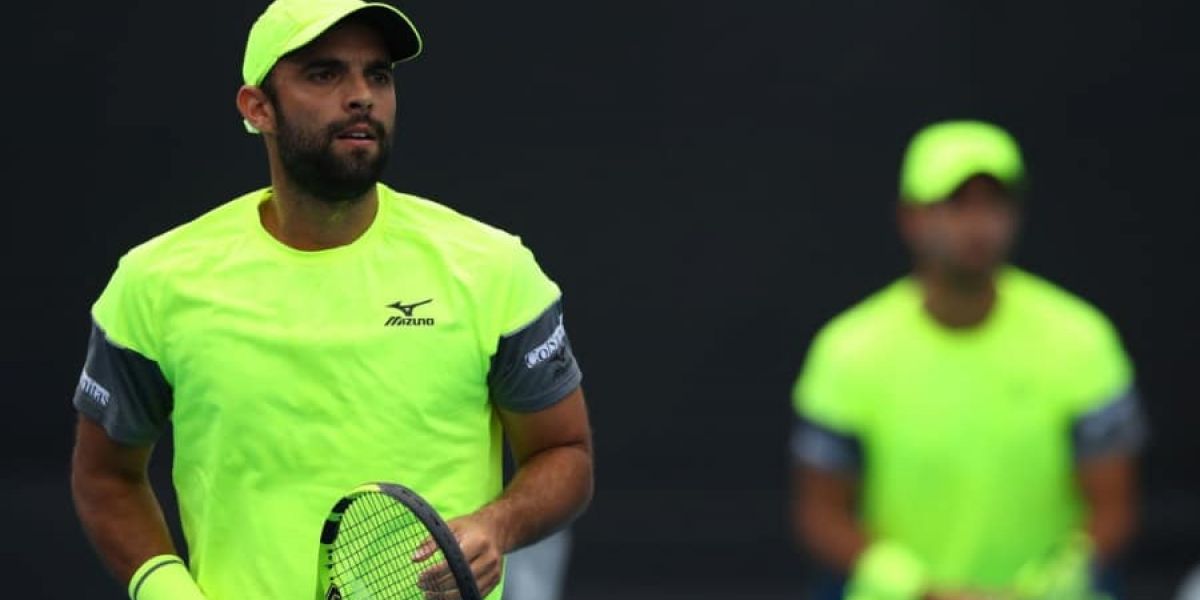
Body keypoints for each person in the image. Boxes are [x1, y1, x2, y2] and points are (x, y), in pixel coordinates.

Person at [69, 1, 593, 599]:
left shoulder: (494, 269)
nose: (362, 96)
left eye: (378, 75)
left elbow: (564, 452)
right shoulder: (154, 282)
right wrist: (167, 591)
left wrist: (495, 526)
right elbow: (105, 476)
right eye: (324, 74)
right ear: (257, 108)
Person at [789, 120, 1145, 600]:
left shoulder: (1080, 338)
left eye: (995, 204)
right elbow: (820, 513)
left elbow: (1113, 508)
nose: (979, 224)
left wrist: (1041, 588)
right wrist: (919, 590)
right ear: (910, 217)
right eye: (956, 204)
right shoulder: (849, 349)